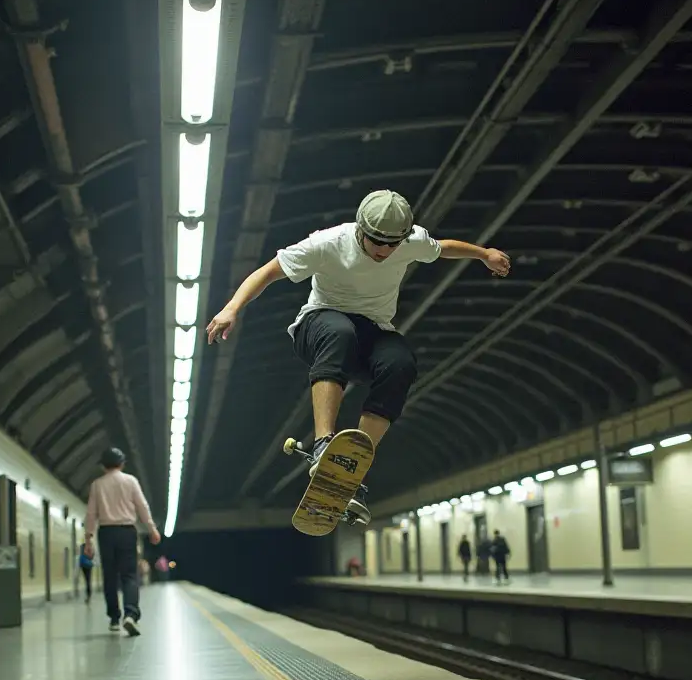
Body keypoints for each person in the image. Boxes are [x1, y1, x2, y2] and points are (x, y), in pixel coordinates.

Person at [205, 189, 510, 524]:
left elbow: (443, 247)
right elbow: (267, 272)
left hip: (372, 331)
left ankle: (352, 463)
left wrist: (484, 254)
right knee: (340, 333)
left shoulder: (410, 242)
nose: (383, 251)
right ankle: (323, 444)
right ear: (360, 231)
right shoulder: (328, 242)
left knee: (401, 362)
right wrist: (231, 308)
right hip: (318, 324)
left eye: (391, 244)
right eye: (375, 242)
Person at [84, 447, 161, 635]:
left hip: (106, 533)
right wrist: (151, 528)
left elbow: (91, 513)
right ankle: (131, 614)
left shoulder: (97, 485)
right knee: (129, 575)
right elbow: (142, 505)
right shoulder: (130, 481)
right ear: (122, 463)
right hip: (127, 532)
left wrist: (88, 539)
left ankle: (114, 618)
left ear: (103, 466)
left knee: (110, 576)